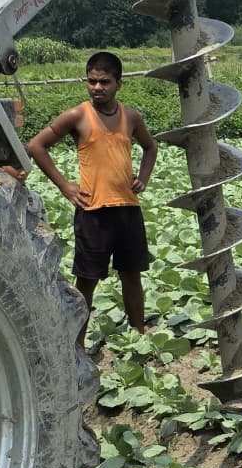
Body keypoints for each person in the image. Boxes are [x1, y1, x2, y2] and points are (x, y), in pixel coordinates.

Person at [27, 51, 157, 345]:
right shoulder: (78, 115)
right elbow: (37, 146)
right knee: (87, 280)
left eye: (105, 82)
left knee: (131, 274)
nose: (97, 88)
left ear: (118, 84)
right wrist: (65, 186)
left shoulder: (131, 116)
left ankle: (138, 336)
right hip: (93, 211)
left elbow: (150, 148)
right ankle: (77, 345)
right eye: (92, 81)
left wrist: (143, 177)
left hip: (127, 208)